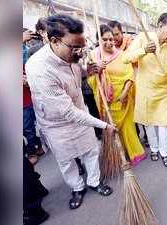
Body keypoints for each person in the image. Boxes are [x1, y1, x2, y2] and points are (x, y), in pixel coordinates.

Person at [25, 14, 114, 210]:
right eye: (75, 48)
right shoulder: (39, 68)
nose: (79, 53)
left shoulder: (70, 53)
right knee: (66, 160)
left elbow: (75, 70)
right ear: (54, 41)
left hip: (81, 112)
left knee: (91, 151)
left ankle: (93, 181)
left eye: (82, 47)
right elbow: (68, 112)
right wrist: (104, 125)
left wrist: (86, 71)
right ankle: (77, 187)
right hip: (58, 123)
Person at [87, 24, 146, 166]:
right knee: (112, 129)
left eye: (111, 39)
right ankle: (118, 155)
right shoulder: (94, 56)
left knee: (127, 127)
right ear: (98, 40)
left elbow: (129, 75)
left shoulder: (121, 54)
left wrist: (125, 93)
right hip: (106, 102)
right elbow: (90, 80)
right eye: (104, 39)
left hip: (124, 99)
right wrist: (97, 70)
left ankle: (134, 153)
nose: (109, 42)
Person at [124, 12, 167, 167]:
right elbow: (126, 58)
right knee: (148, 124)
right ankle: (154, 149)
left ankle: (164, 153)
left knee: (163, 123)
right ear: (160, 26)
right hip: (145, 91)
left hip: (162, 92)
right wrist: (144, 50)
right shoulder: (143, 38)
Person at [23, 28, 43, 165]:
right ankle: (36, 146)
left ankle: (33, 150)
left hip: (26, 98)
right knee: (26, 127)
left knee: (28, 126)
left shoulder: (26, 51)